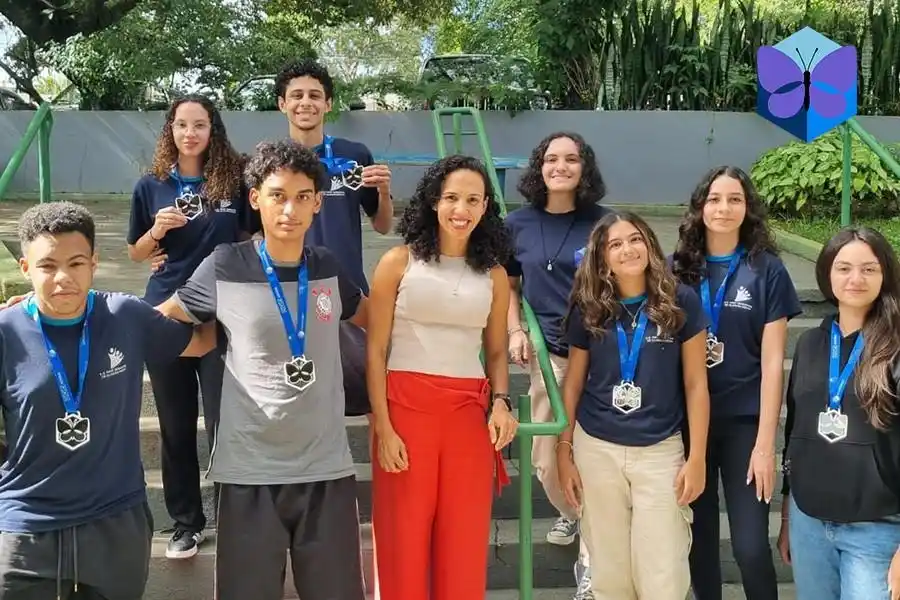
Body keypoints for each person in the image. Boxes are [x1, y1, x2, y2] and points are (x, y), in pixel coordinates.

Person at [156, 139, 369, 600]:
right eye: (277, 195)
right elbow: (161, 318)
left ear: (316, 203)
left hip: (325, 467)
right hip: (250, 469)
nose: (289, 209)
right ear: (256, 198)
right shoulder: (226, 264)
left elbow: (377, 318)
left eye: (301, 196)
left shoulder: (329, 267)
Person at [0, 201, 215, 599]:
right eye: (47, 266)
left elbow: (201, 342)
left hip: (115, 521)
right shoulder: (5, 332)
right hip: (28, 528)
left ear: (94, 263)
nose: (63, 277)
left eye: (76, 263)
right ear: (26, 269)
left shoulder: (125, 315)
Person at [367, 155, 519, 600]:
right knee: (403, 537)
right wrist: (384, 426)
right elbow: (375, 351)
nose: (461, 208)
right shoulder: (398, 262)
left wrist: (502, 402)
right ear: (434, 201)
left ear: (486, 206)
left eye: (473, 199)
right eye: (451, 197)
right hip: (405, 413)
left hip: (467, 416)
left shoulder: (493, 275)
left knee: (464, 538)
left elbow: (495, 352)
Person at [125, 94, 254, 559]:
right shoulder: (151, 185)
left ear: (212, 129)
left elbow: (250, 237)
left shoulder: (234, 182)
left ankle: (235, 520)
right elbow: (135, 253)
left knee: (226, 426)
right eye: (182, 125)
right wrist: (156, 231)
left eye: (199, 124)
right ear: (171, 131)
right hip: (166, 316)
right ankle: (186, 524)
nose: (190, 133)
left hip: (225, 316)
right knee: (176, 428)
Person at [556, 211, 710, 600]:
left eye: (635, 239)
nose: (628, 249)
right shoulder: (588, 306)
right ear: (602, 256)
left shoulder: (680, 300)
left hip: (660, 451)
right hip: (598, 448)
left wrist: (697, 459)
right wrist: (564, 452)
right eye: (616, 244)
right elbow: (572, 384)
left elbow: (695, 384)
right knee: (609, 574)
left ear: (650, 244)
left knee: (664, 574)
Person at [670, 166, 801, 600]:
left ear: (748, 209)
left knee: (748, 546)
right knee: (700, 542)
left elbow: (773, 360)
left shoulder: (768, 270)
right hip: (689, 422)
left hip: (745, 423)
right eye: (714, 199)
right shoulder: (678, 269)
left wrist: (766, 445)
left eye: (734, 199)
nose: (723, 208)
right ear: (700, 207)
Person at [505, 131, 611, 598]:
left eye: (571, 159)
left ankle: (593, 562)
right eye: (552, 159)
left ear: (584, 167)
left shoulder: (605, 224)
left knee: (595, 458)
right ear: (539, 167)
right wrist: (515, 329)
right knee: (547, 461)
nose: (561, 166)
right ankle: (572, 511)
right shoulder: (517, 224)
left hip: (604, 355)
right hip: (551, 357)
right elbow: (508, 286)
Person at [778, 227, 900, 600]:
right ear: (827, 274)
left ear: (886, 275)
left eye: (869, 269)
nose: (855, 279)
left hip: (876, 529)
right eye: (844, 267)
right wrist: (787, 515)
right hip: (809, 522)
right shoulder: (812, 343)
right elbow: (795, 430)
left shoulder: (894, 347)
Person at [274, 58, 393, 293]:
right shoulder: (269, 162)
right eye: (297, 96)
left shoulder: (354, 155)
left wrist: (384, 191)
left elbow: (382, 226)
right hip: (289, 289)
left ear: (328, 104)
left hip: (348, 289)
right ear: (282, 104)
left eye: (315, 96)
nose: (306, 103)